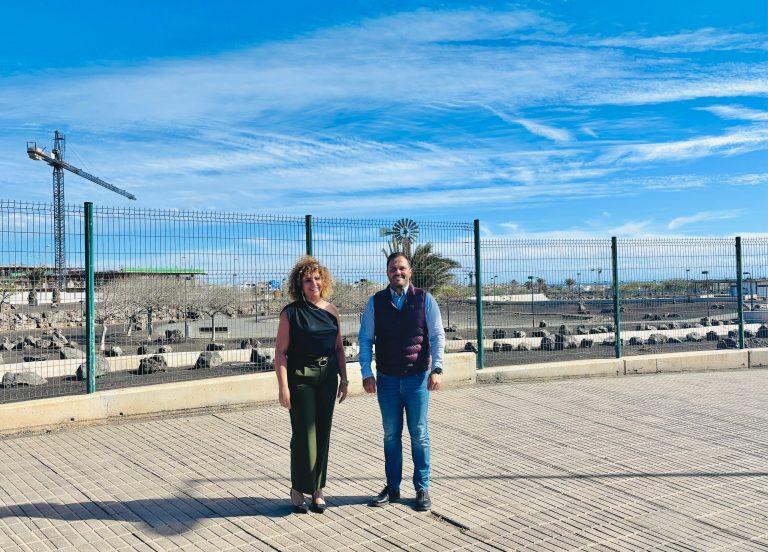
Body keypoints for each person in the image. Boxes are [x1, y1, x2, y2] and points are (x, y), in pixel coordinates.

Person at [359, 252, 445, 512]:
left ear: (410, 271)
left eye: (402, 268)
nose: (398, 272)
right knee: (390, 435)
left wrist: (437, 368)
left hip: (417, 379)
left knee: (419, 434)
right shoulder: (375, 303)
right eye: (393, 269)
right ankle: (393, 487)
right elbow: (365, 339)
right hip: (386, 380)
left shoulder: (424, 300)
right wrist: (366, 372)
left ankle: (422, 487)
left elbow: (438, 336)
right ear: (387, 272)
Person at [275, 256, 349, 514]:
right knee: (304, 436)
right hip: (300, 378)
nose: (313, 283)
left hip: (327, 378)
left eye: (317, 278)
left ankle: (318, 490)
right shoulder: (291, 313)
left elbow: (339, 348)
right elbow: (281, 353)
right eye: (308, 280)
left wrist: (345, 379)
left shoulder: (332, 311)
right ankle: (297, 488)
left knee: (323, 435)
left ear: (324, 281)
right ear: (299, 283)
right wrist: (283, 387)